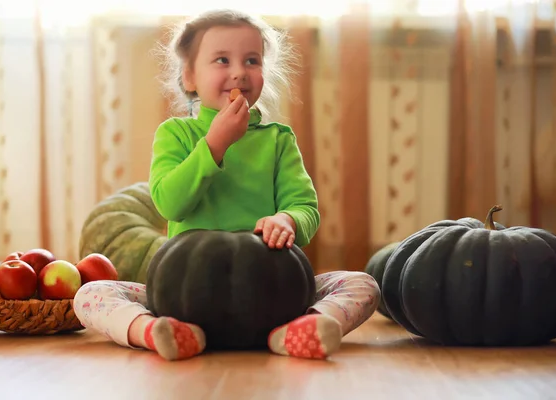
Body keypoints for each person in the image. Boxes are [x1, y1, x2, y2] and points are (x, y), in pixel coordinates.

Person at [73, 8, 380, 362]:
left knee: (362, 284)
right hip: (184, 292)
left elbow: (305, 208)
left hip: (268, 289)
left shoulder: (278, 140)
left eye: (252, 60)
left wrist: (288, 220)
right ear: (190, 77)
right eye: (222, 60)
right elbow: (169, 204)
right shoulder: (177, 135)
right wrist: (214, 145)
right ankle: (157, 332)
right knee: (93, 293)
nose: (239, 72)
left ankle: (299, 330)